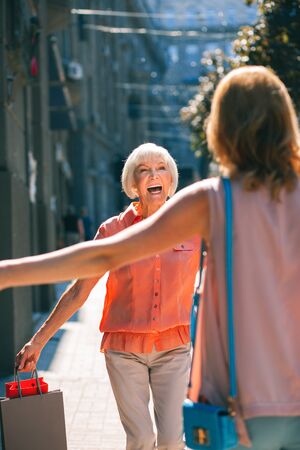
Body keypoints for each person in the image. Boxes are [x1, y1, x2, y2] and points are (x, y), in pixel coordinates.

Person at [1, 66, 300, 449]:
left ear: (221, 130)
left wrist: (8, 272)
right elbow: (92, 273)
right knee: (144, 438)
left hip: (241, 405)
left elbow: (102, 256)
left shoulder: (211, 200)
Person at [14, 143, 200, 450]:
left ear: (171, 179)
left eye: (161, 168)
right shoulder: (112, 231)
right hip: (125, 351)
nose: (154, 175)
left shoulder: (191, 227)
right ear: (133, 184)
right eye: (144, 170)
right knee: (141, 438)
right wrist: (39, 341)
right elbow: (78, 291)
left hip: (174, 349)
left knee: (171, 440)